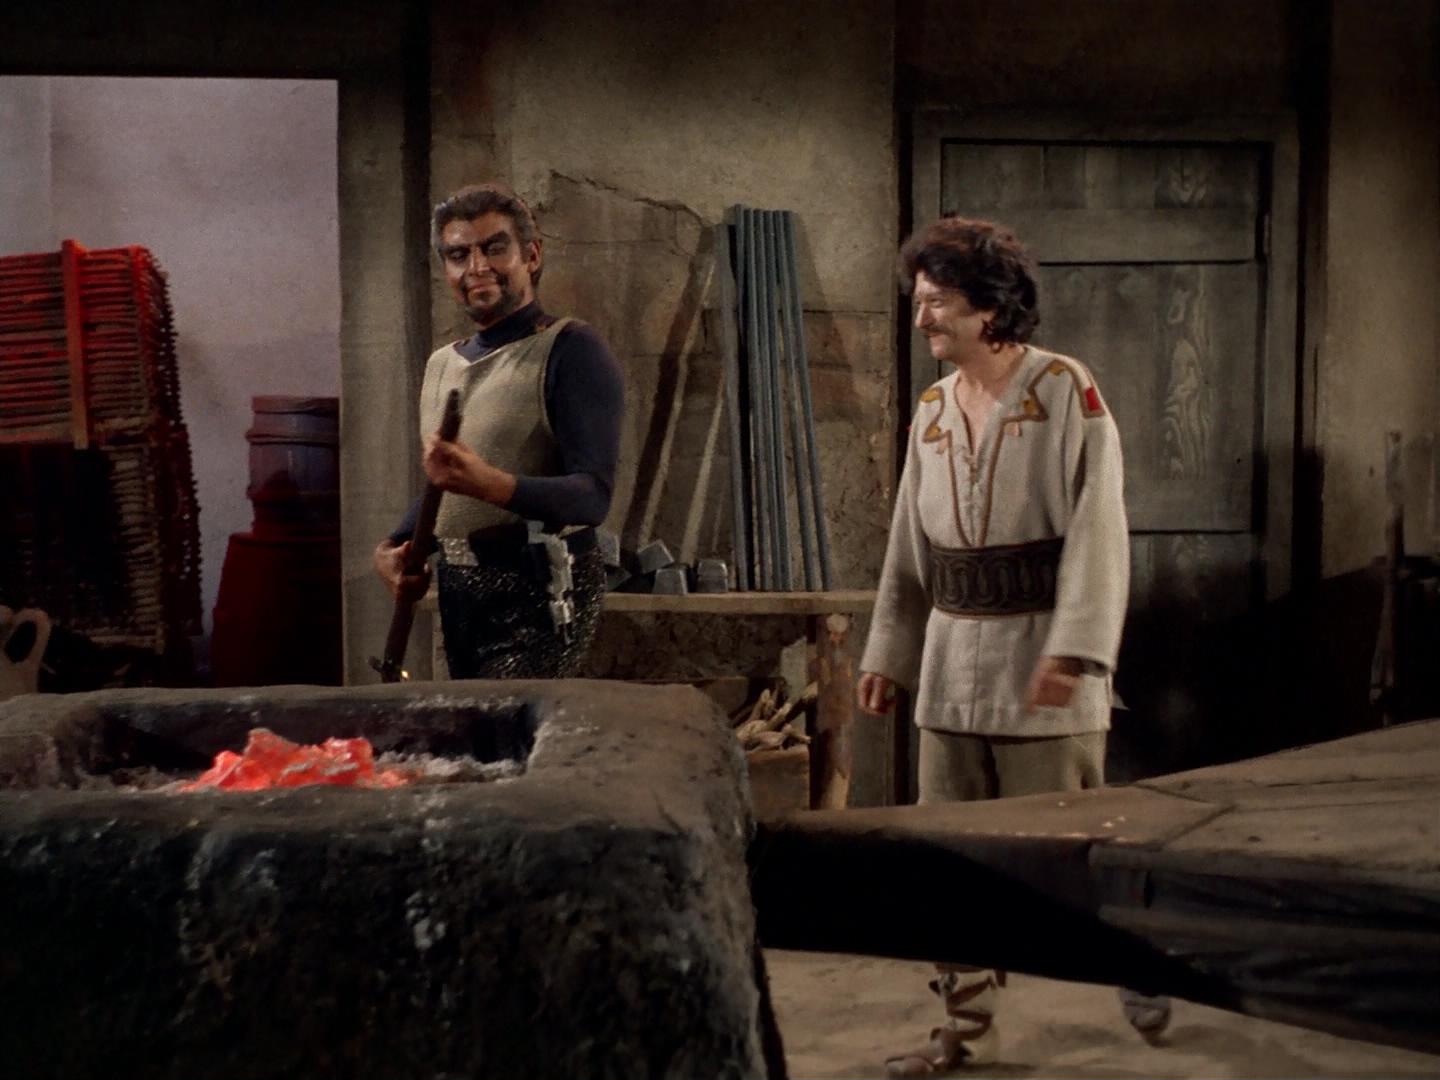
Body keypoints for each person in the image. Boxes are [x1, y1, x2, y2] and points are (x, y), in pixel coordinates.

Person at [857, 217, 1161, 1075]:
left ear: (989, 308)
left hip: (1042, 666)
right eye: (919, 302)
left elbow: (1100, 529)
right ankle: (966, 1029)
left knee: (1070, 860)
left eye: (939, 302)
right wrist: (888, 654)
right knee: (950, 865)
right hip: (952, 672)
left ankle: (1148, 960)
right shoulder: (931, 411)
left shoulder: (1063, 390)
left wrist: (1077, 651)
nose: (923, 318)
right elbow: (908, 547)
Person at [373, 182, 623, 679]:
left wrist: (489, 483)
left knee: (515, 721)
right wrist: (393, 546)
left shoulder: (570, 349)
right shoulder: (441, 365)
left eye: (494, 248)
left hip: (540, 590)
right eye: (458, 255)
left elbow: (592, 496)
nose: (477, 267)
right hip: (462, 590)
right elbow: (446, 486)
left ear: (531, 256)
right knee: (473, 724)